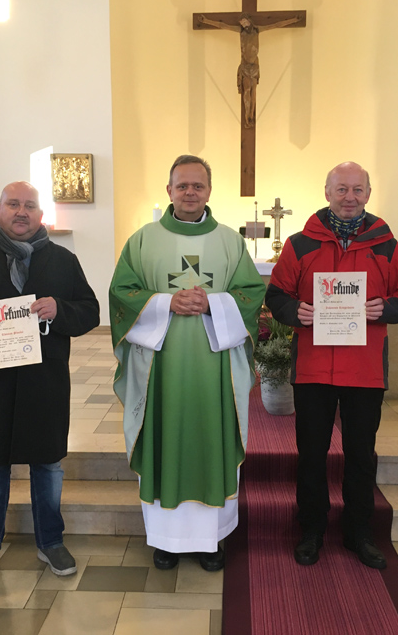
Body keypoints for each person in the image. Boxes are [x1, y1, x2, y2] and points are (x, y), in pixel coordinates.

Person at [109, 155, 265, 571]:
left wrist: (214, 304)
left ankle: (211, 540)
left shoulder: (230, 241)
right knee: (164, 441)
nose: (190, 192)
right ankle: (166, 540)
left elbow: (251, 293)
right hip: (160, 369)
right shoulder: (143, 240)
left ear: (209, 191)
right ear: (169, 190)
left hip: (215, 368)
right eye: (182, 186)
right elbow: (122, 292)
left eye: (198, 186)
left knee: (210, 441)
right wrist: (165, 303)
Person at [265, 161, 398, 569]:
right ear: (327, 192)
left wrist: (384, 307)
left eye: (357, 189)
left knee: (360, 454)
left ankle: (358, 532)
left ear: (368, 193)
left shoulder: (384, 245)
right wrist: (295, 311)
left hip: (364, 369)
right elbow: (277, 294)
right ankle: (311, 530)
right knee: (311, 454)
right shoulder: (301, 243)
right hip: (314, 367)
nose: (349, 197)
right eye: (341, 189)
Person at [0, 181, 99, 583]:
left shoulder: (62, 260)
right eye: (13, 204)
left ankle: (51, 541)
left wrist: (59, 309)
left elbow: (90, 312)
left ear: (40, 215)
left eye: (29, 205)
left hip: (45, 382)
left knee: (48, 464)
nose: (21, 212)